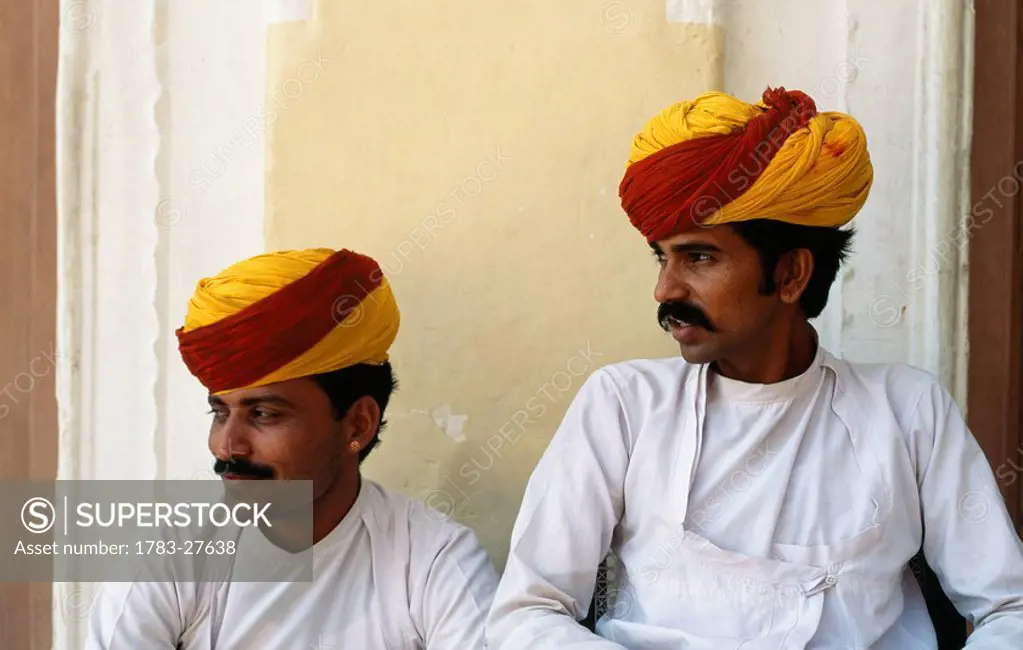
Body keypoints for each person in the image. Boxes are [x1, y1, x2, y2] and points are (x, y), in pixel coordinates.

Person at [486, 87, 1023, 648]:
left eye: (698, 257)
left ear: (791, 275)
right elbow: (526, 614)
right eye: (661, 257)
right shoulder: (625, 403)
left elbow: (1010, 609)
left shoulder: (907, 410)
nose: (665, 289)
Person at [86, 247, 498, 649]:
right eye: (220, 413)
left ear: (358, 423)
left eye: (264, 414)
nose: (229, 446)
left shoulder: (432, 561)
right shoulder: (172, 557)